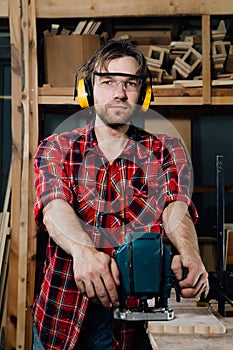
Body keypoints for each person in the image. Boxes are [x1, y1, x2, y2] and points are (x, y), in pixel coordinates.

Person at [33, 39, 209, 350]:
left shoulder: (166, 148)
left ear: (143, 94)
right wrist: (83, 252)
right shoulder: (57, 147)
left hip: (132, 329)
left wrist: (191, 254)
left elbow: (175, 206)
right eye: (108, 81)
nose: (119, 92)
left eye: (129, 83)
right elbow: (53, 206)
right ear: (89, 90)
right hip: (62, 319)